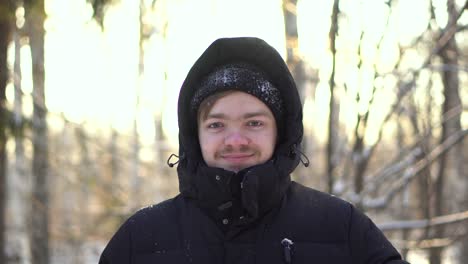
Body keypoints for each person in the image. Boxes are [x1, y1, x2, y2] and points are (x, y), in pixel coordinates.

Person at [99, 37, 409, 264]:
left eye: (254, 123)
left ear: (280, 132)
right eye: (217, 125)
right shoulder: (140, 238)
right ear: (196, 135)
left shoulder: (341, 226)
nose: (235, 140)